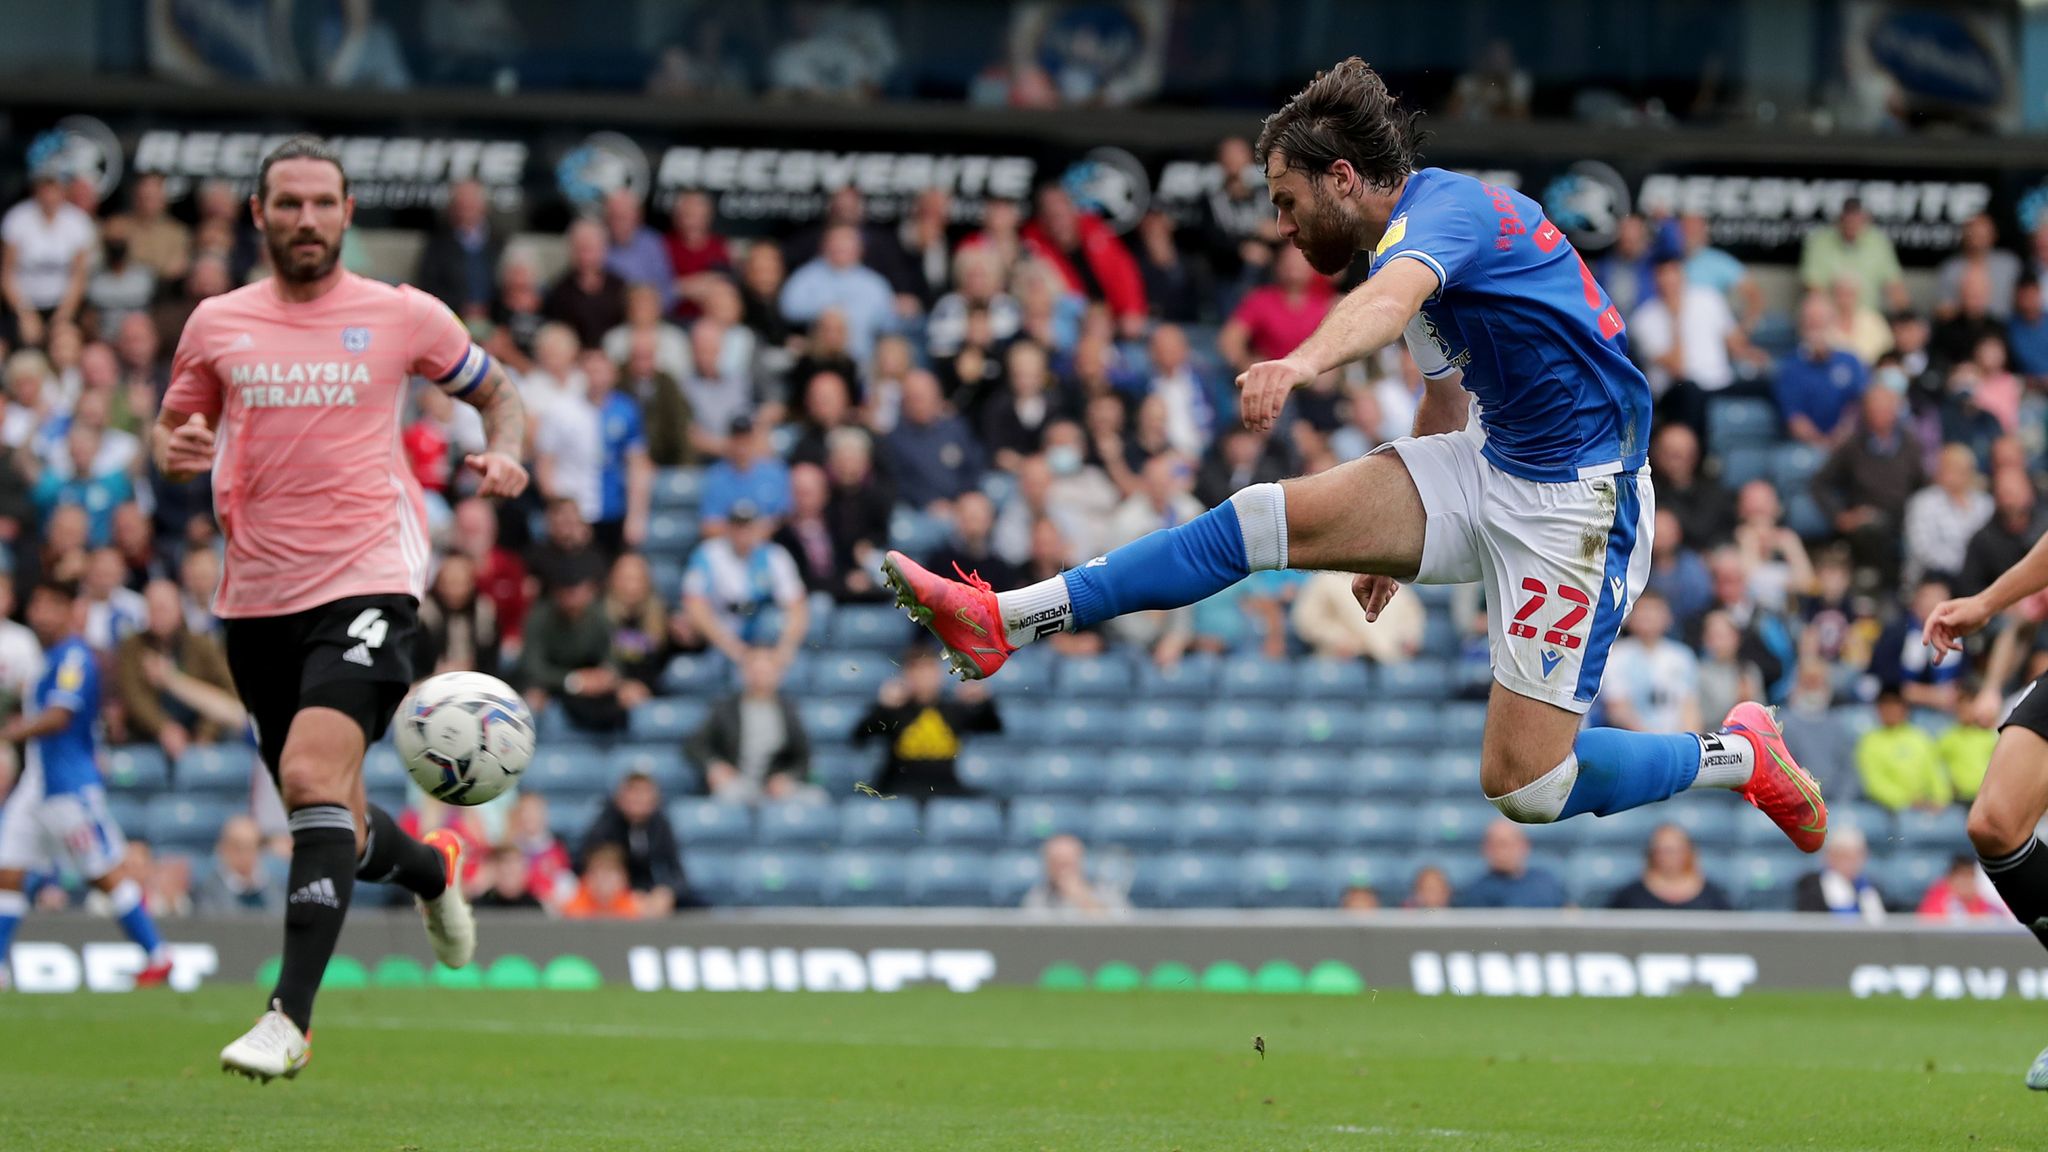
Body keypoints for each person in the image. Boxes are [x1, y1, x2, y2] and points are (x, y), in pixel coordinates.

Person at [881, 59, 1825, 856]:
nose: (1282, 228)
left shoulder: (1442, 217)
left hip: (1579, 506)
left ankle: (1739, 754)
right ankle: (1004, 619)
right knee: (1258, 519)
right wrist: (1398, 549)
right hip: (1489, 461)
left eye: (1287, 202)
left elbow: (1385, 306)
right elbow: (1444, 394)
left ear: (1343, 177)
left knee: (1527, 787)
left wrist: (1297, 361)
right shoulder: (1403, 250)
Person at [154, 137, 531, 1080]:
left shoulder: (402, 315)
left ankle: (289, 1018)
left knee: (312, 773)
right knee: (333, 817)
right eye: (288, 204)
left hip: (369, 577)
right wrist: (176, 446)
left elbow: (499, 391)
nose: (307, 220)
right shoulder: (217, 322)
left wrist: (508, 449)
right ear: (259, 215)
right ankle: (433, 871)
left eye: (323, 202)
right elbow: (179, 421)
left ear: (349, 211)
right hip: (255, 597)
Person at [0, 579, 175, 991]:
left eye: (49, 605)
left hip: (69, 788)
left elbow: (61, 715)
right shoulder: (49, 658)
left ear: (68, 610)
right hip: (37, 786)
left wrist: (12, 733)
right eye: (36, 604)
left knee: (103, 871)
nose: (40, 613)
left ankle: (157, 954)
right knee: (7, 871)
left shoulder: (74, 657)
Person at [852, 645, 1000, 796]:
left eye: (929, 669)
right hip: (901, 789)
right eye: (917, 671)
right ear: (906, 675)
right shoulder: (895, 710)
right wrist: (882, 706)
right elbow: (859, 737)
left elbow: (993, 727)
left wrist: (983, 701)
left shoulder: (953, 709)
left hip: (945, 789)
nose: (924, 677)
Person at [686, 647, 812, 803]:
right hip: (736, 783)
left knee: (815, 799)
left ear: (779, 675)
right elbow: (695, 745)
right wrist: (714, 766)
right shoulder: (725, 708)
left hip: (774, 787)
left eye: (766, 672)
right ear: (744, 673)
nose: (760, 677)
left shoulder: (789, 711)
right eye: (755, 671)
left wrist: (787, 777)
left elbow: (803, 758)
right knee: (728, 796)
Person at [575, 771, 688, 913]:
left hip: (649, 892)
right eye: (633, 792)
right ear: (620, 797)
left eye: (644, 792)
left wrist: (666, 892)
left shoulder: (660, 825)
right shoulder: (605, 825)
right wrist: (625, 894)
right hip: (613, 895)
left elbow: (677, 872)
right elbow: (586, 865)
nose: (638, 799)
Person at [1855, 686, 1948, 813]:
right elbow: (1874, 782)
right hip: (1886, 810)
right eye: (1886, 706)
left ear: (1904, 708)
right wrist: (1906, 801)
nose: (1890, 710)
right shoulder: (1869, 742)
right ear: (1878, 709)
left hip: (1925, 805)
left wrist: (1940, 799)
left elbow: (1936, 772)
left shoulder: (1920, 737)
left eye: (1895, 705)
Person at [1606, 823, 1733, 910]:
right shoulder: (1630, 896)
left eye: (1674, 850)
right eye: (1662, 851)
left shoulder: (1712, 897)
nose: (1668, 857)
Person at [1454, 819, 1566, 909]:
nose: (1502, 852)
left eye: (1507, 844)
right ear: (1485, 849)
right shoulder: (1476, 892)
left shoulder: (1546, 881)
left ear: (1524, 846)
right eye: (1495, 845)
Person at [194, 814, 286, 915]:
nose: (245, 854)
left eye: (252, 847)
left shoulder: (275, 888)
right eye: (238, 847)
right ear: (223, 848)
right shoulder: (208, 891)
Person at [1021, 833, 1128, 915]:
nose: (1063, 871)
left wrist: (1081, 897)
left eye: (1068, 864)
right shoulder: (1037, 898)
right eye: (1057, 863)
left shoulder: (1106, 893)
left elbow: (1123, 930)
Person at [1793, 825, 1885, 921]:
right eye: (1844, 856)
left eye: (1856, 857)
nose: (1851, 863)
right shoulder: (1812, 887)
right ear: (1829, 857)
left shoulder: (1871, 887)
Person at [1918, 854, 2004, 921]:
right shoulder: (1936, 901)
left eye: (1970, 877)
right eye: (1961, 878)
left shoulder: (1986, 905)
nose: (1966, 883)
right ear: (1951, 880)